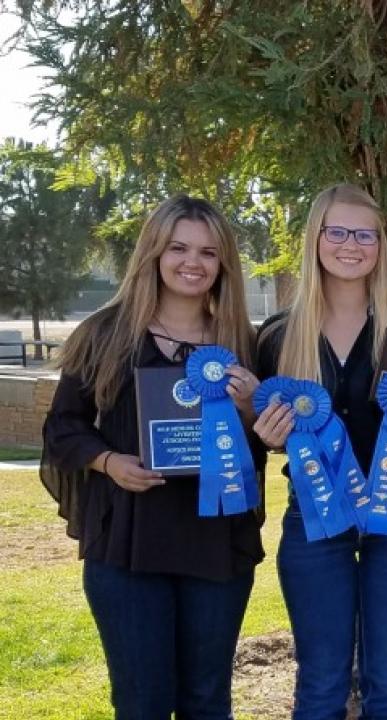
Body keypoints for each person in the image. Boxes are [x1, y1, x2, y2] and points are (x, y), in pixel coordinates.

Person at [41, 196, 263, 719]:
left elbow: (266, 445)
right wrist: (108, 462)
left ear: (223, 263)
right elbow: (62, 428)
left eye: (209, 252)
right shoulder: (103, 335)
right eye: (179, 248)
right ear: (153, 254)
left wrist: (253, 405)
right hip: (127, 544)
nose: (194, 262)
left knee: (208, 702)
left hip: (217, 544)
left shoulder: (243, 344)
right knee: (142, 703)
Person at [253, 183, 387, 720]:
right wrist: (266, 436)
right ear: (316, 238)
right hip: (314, 522)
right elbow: (262, 435)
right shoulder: (277, 336)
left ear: (380, 246)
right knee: (320, 683)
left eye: (365, 234)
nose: (350, 245)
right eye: (337, 231)